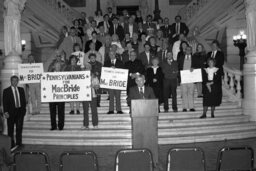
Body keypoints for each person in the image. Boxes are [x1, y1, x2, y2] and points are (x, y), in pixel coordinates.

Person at [3, 75, 26, 148]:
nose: (15, 82)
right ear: (11, 81)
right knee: (10, 129)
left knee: (19, 128)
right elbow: (4, 102)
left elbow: (23, 101)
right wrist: (6, 112)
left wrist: (24, 110)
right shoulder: (6, 91)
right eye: (13, 80)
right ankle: (11, 144)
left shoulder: (21, 89)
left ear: (18, 81)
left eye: (16, 81)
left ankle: (19, 143)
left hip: (19, 112)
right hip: (10, 113)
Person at [177, 46, 195, 112]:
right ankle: (184, 107)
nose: (188, 50)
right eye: (187, 49)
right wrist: (179, 76)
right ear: (185, 50)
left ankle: (191, 107)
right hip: (183, 77)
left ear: (191, 51)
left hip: (191, 78)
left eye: (189, 49)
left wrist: (193, 68)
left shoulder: (194, 58)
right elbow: (178, 67)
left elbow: (197, 66)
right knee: (184, 93)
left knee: (191, 93)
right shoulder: (181, 58)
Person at [48, 62, 65, 131]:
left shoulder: (63, 75)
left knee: (61, 111)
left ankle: (61, 126)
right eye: (56, 65)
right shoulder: (49, 75)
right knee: (52, 112)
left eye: (59, 66)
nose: (58, 67)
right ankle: (53, 126)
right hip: (52, 96)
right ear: (54, 67)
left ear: (60, 67)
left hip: (61, 95)